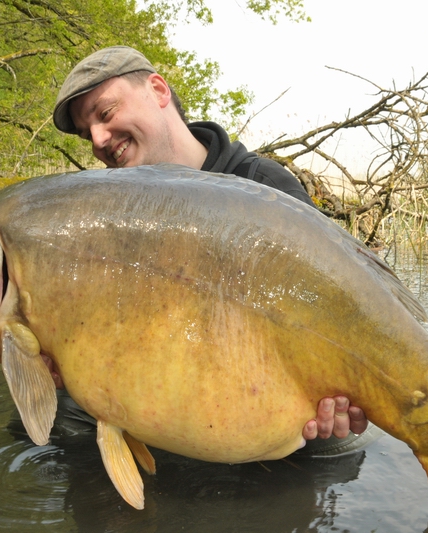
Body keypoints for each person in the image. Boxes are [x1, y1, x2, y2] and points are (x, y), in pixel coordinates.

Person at [49, 45, 370, 454]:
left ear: (158, 90)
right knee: (56, 418)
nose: (97, 140)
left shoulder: (264, 186)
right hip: (169, 388)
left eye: (106, 113)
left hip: (260, 395)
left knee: (333, 445)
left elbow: (336, 308)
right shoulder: (110, 216)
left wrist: (340, 392)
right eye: (85, 132)